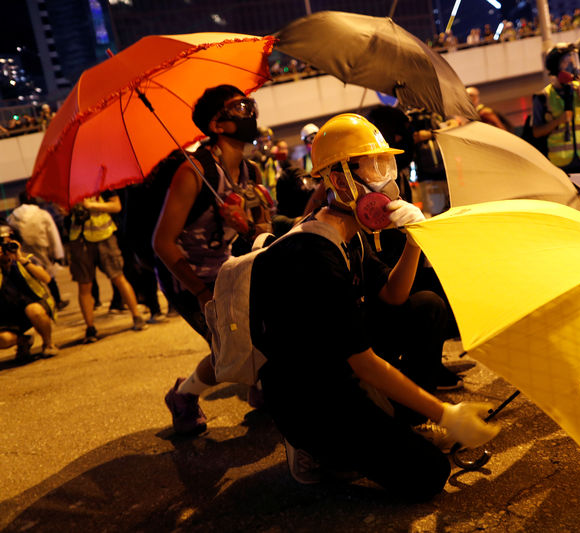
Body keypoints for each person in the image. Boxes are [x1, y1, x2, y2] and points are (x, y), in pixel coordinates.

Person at [250, 113, 499, 495]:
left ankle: (407, 421)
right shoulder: (312, 254)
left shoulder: (353, 233)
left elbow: (393, 297)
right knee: (427, 474)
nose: (385, 179)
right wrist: (447, 413)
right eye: (371, 167)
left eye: (386, 164)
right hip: (311, 391)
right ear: (337, 179)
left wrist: (416, 241)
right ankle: (311, 447)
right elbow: (362, 361)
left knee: (426, 305)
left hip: (340, 364)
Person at [155, 84, 272, 435]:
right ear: (217, 125)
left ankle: (260, 385)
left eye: (249, 103)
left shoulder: (251, 173)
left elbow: (263, 230)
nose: (249, 112)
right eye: (239, 107)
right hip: (188, 277)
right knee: (230, 352)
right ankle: (182, 396)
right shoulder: (193, 171)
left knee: (264, 335)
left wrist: (244, 223)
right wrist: (200, 292)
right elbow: (161, 242)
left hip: (227, 270)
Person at [67, 192, 147, 342]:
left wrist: (91, 205)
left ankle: (136, 316)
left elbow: (116, 206)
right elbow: (63, 210)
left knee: (118, 277)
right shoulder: (70, 186)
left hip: (104, 236)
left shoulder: (101, 182)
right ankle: (90, 328)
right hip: (79, 239)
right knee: (84, 285)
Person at [532, 43, 580, 172]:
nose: (571, 66)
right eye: (566, 62)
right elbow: (536, 132)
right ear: (555, 67)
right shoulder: (543, 96)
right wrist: (558, 121)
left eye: (573, 60)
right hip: (561, 165)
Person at [0, 225, 58, 360]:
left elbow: (46, 278)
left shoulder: (26, 258)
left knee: (34, 310)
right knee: (2, 339)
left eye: (7, 243)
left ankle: (48, 344)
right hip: (9, 315)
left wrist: (21, 259)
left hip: (32, 306)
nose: (4, 248)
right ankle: (23, 341)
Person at [8, 192, 69, 310]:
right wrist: (57, 254)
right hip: (41, 249)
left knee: (28, 277)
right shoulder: (42, 214)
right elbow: (53, 235)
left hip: (23, 251)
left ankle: (33, 303)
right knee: (49, 276)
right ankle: (57, 301)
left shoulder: (12, 217)